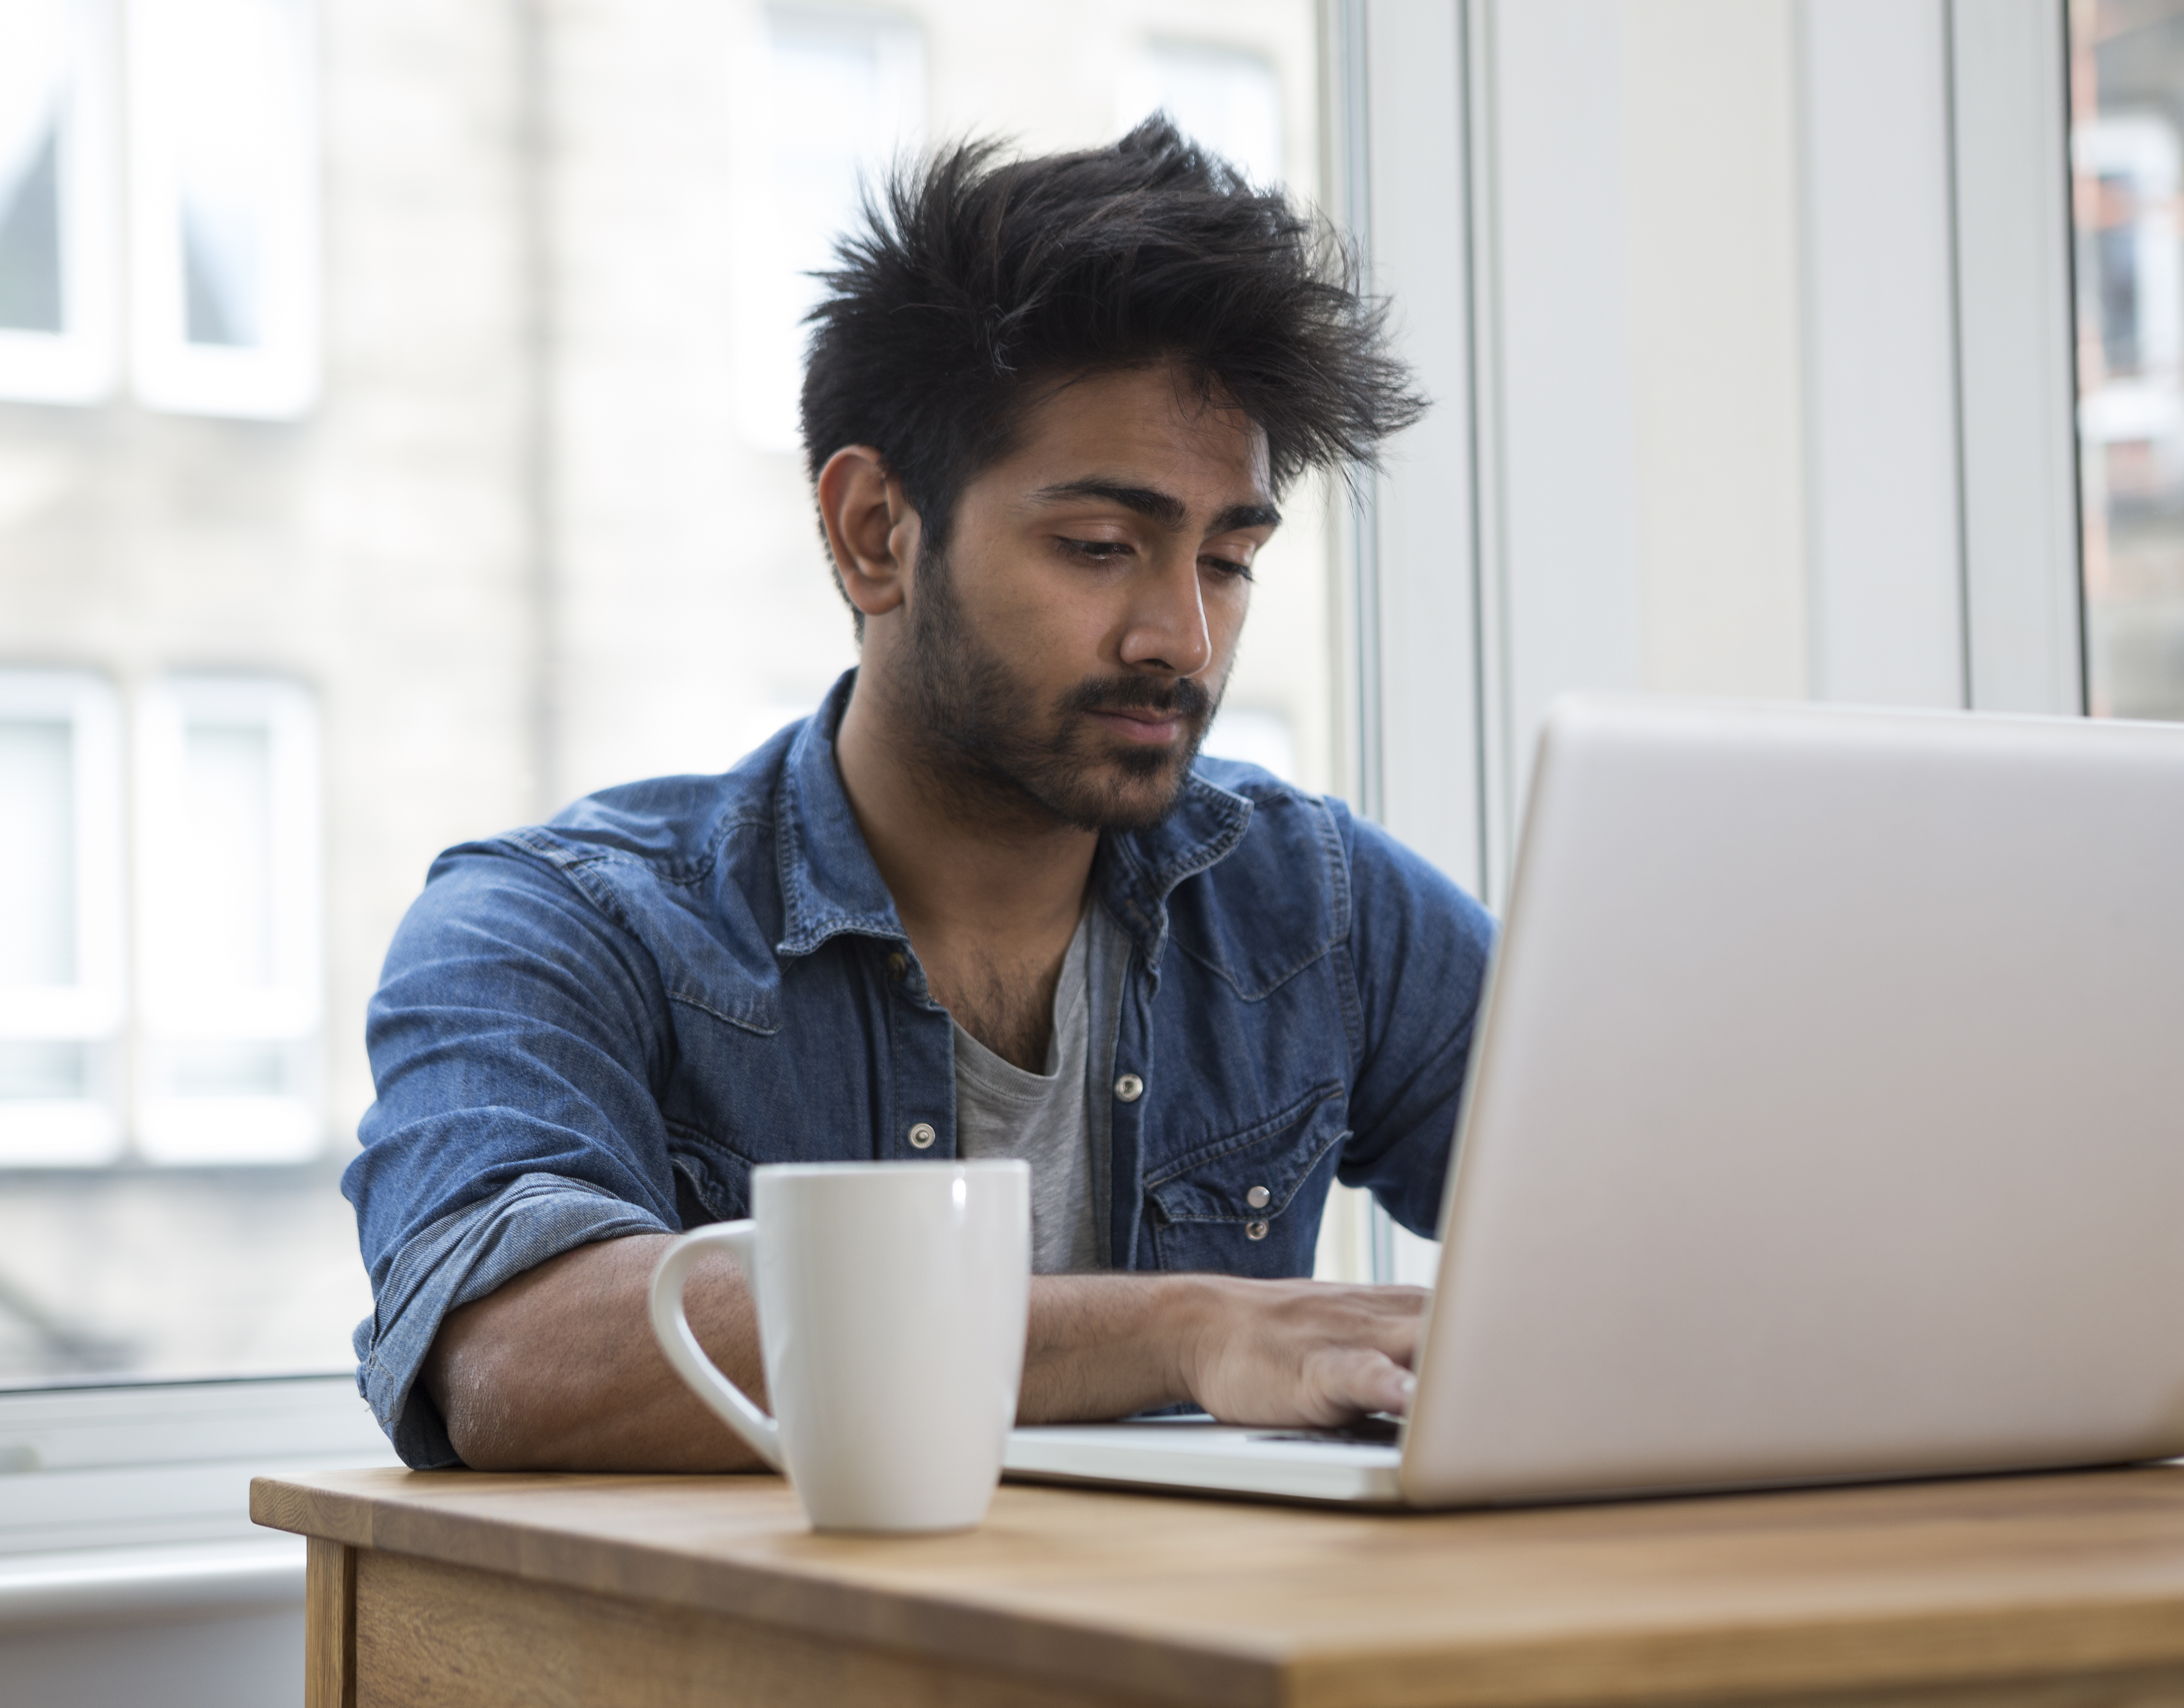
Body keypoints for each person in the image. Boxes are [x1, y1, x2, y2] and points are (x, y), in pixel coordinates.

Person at [343, 118, 1495, 1471]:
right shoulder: (558, 925)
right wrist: (1185, 1327)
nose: (1179, 636)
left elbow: (1665, 1232)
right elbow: (517, 1356)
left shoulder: (1320, 906)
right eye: (1099, 545)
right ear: (872, 532)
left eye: (1228, 558)